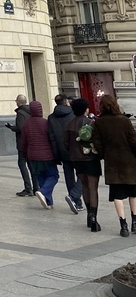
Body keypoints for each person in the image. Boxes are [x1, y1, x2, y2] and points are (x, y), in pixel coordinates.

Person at [91, 94, 136, 237]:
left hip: (112, 163)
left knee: (117, 195)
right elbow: (133, 140)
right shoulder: (125, 121)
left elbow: (97, 143)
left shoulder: (99, 122)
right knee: (133, 194)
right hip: (129, 161)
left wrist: (104, 154)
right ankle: (135, 222)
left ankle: (123, 226)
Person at [64, 97, 102, 231]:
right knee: (93, 188)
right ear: (86, 109)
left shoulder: (69, 125)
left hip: (76, 160)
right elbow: (97, 141)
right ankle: (94, 218)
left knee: (84, 186)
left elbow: (66, 144)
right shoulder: (91, 123)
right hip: (90, 159)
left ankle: (88, 215)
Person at [47, 93, 83, 215]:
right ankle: (74, 197)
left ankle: (76, 202)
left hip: (62, 151)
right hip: (76, 149)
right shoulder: (73, 114)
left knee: (69, 177)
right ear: (66, 101)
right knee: (82, 174)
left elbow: (52, 138)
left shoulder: (51, 118)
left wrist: (56, 155)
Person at [20, 101, 58, 209]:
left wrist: (23, 153)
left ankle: (48, 202)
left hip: (32, 155)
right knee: (53, 176)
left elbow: (23, 142)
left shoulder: (26, 124)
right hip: (47, 155)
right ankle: (44, 192)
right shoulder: (45, 123)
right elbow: (52, 139)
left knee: (41, 177)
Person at [5, 94, 37, 197]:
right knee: (32, 165)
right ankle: (36, 187)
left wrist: (11, 127)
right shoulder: (31, 111)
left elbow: (20, 128)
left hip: (23, 143)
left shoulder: (20, 113)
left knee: (22, 163)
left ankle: (28, 188)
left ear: (18, 102)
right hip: (31, 142)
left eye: (16, 101)